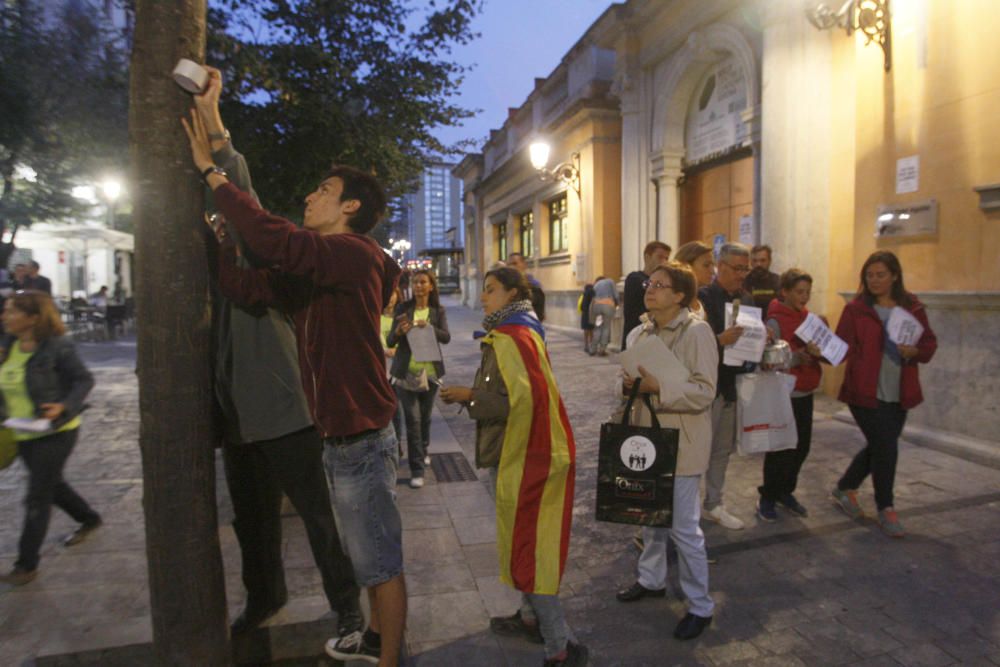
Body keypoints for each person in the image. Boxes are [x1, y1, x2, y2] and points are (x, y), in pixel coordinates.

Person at [182, 88, 405, 667]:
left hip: (361, 434)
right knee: (366, 557)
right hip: (338, 435)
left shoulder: (352, 254)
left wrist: (211, 168)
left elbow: (272, 237)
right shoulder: (318, 271)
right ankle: (374, 640)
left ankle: (388, 656)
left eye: (324, 191)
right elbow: (248, 285)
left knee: (380, 563)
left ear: (350, 208)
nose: (311, 195)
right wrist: (219, 244)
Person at [440, 268, 586, 666]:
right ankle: (527, 616)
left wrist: (469, 396)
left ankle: (559, 643)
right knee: (521, 540)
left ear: (512, 294)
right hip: (510, 453)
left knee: (529, 545)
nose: (484, 297)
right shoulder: (511, 332)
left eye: (491, 290)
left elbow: (516, 404)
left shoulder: (514, 337)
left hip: (518, 457)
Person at [613, 261, 717, 641]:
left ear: (680, 296)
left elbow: (705, 392)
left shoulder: (697, 333)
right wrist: (628, 393)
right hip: (645, 438)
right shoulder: (640, 332)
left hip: (682, 442)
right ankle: (651, 579)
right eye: (649, 283)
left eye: (660, 285)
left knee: (684, 528)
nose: (650, 289)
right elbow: (630, 383)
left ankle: (701, 605)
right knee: (650, 517)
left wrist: (657, 388)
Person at [831, 251, 936, 537]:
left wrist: (914, 351)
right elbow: (842, 347)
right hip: (863, 392)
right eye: (869, 275)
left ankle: (844, 488)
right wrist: (822, 349)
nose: (874, 280)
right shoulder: (856, 309)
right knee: (886, 447)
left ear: (895, 276)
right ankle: (886, 507)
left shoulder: (912, 307)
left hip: (899, 391)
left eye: (880, 274)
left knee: (881, 445)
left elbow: (928, 345)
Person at [0, 290, 101, 585]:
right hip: (20, 430)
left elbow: (84, 379)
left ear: (33, 318)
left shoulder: (58, 346)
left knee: (37, 495)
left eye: (11, 311)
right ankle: (89, 518)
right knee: (52, 485)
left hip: (55, 431)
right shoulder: (8, 345)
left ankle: (26, 565)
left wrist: (64, 406)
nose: (5, 316)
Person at [756, 269, 824, 522]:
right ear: (784, 292)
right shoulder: (774, 321)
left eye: (807, 292)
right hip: (785, 393)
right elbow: (767, 358)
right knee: (780, 448)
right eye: (799, 292)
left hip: (805, 390)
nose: (804, 297)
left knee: (801, 447)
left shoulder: (810, 319)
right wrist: (796, 356)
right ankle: (768, 496)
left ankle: (786, 491)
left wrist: (819, 352)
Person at [699, 243, 754, 530]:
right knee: (699, 451)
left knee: (722, 449)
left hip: (733, 385)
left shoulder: (747, 299)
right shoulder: (703, 297)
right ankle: (686, 508)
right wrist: (720, 339)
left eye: (746, 268)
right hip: (708, 386)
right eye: (737, 268)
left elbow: (750, 342)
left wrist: (761, 336)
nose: (742, 274)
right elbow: (692, 345)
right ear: (720, 266)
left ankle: (714, 503)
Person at [386, 269, 450, 489]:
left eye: (423, 282)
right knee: (412, 421)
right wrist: (400, 332)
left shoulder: (437, 311)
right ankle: (417, 469)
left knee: (424, 419)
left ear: (431, 286)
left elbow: (447, 337)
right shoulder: (404, 309)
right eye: (416, 282)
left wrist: (430, 328)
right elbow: (390, 340)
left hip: (430, 373)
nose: (419, 286)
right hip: (406, 373)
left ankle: (423, 450)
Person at [621, 241, 671, 350]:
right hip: (635, 340)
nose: (664, 262)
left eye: (667, 258)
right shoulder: (635, 278)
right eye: (660, 257)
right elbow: (646, 287)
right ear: (647, 257)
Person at [380, 287, 404, 443]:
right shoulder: (376, 316)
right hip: (381, 368)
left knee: (396, 408)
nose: (390, 298)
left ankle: (397, 442)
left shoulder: (402, 317)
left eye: (392, 293)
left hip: (398, 368)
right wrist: (385, 349)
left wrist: (397, 350)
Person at [673, 241, 716, 315]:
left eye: (713, 265)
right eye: (706, 265)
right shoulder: (672, 303)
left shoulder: (706, 300)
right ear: (686, 266)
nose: (713, 271)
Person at [507, 252, 545, 321]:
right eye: (509, 264)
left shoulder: (534, 286)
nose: (511, 267)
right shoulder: (506, 285)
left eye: (515, 263)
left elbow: (539, 314)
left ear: (524, 265)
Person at [744, 245, 780, 317]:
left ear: (769, 261)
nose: (758, 264)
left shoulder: (778, 281)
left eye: (762, 260)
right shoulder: (743, 281)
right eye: (755, 261)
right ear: (750, 262)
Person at [589, 275, 618, 356]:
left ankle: (593, 349)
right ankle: (602, 350)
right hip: (607, 306)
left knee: (598, 327)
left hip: (597, 307)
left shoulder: (596, 284)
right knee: (606, 327)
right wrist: (617, 304)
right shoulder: (610, 281)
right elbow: (616, 295)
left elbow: (593, 297)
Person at [578, 283, 595, 353]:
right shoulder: (593, 293)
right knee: (591, 330)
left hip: (585, 314)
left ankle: (586, 345)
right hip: (591, 313)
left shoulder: (584, 294)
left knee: (586, 330)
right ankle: (591, 345)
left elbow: (581, 305)